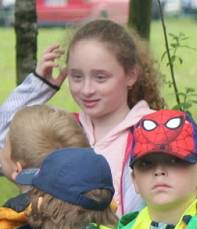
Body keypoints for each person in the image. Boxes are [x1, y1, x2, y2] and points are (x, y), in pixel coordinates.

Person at [1, 20, 166, 215]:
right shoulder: (64, 130)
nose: (87, 89)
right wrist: (38, 86)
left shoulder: (156, 131)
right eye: (76, 76)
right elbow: (5, 142)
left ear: (131, 75)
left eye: (100, 77)